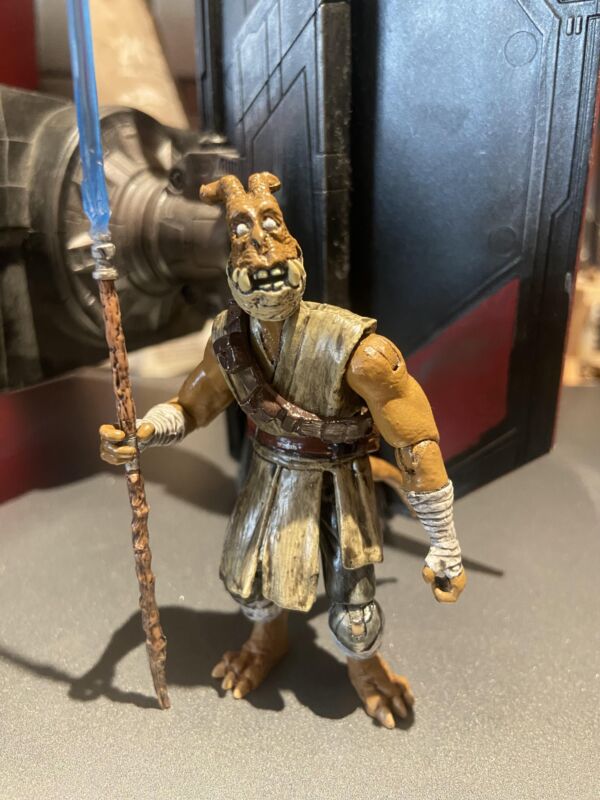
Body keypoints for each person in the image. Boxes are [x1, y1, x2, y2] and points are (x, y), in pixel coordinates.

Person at [100, 172, 466, 729]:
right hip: (271, 476)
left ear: (298, 262)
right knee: (251, 584)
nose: (265, 265)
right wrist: (143, 434)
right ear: (232, 276)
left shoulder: (360, 351)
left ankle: (364, 665)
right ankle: (266, 640)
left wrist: (444, 543)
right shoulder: (229, 340)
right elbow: (192, 406)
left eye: (274, 250)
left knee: (356, 612)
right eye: (250, 262)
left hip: (341, 482)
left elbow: (414, 440)